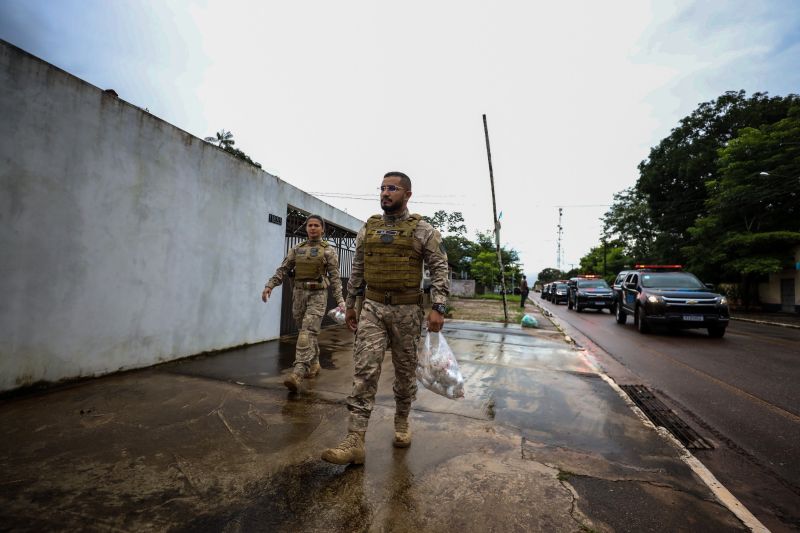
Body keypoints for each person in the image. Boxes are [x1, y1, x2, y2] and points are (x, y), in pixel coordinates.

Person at [321, 171, 450, 465]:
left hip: (407, 311)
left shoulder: (423, 231)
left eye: (392, 188)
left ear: (407, 195)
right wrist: (351, 302)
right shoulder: (369, 228)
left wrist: (438, 307)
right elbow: (358, 267)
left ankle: (402, 419)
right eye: (382, 188)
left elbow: (440, 268)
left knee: (404, 374)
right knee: (365, 369)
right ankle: (355, 438)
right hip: (373, 308)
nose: (385, 193)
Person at [262, 215, 345, 392]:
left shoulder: (328, 251)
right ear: (306, 228)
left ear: (322, 229)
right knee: (305, 331)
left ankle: (298, 372)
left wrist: (340, 301)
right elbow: (283, 269)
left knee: (306, 333)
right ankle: (314, 363)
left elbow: (336, 279)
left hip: (318, 297)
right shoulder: (297, 249)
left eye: (316, 225)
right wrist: (270, 285)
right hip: (298, 296)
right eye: (310, 225)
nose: (313, 228)